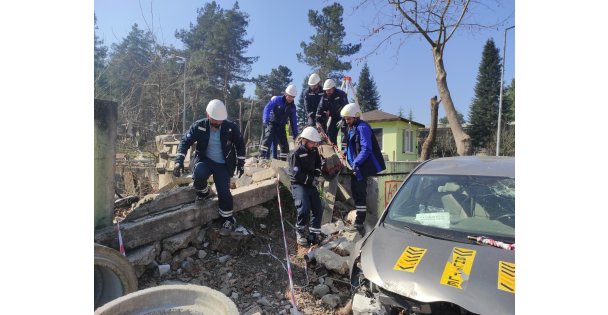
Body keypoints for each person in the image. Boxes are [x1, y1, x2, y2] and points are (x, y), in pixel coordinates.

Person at [173, 99, 246, 234]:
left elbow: (240, 143)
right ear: (208, 115)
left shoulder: (231, 127)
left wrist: (241, 163)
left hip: (223, 164)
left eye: (220, 121)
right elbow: (185, 141)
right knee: (199, 175)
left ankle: (227, 219)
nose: (218, 123)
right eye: (215, 120)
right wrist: (179, 161)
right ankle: (204, 193)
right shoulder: (199, 126)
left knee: (224, 192)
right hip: (205, 160)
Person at [340, 103, 386, 234]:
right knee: (356, 193)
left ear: (356, 116)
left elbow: (366, 149)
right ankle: (359, 220)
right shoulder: (352, 127)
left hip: (361, 167)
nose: (346, 121)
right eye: (345, 119)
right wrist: (344, 152)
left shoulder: (362, 127)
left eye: (348, 119)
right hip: (356, 166)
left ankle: (359, 222)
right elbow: (350, 146)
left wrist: (356, 162)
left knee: (360, 194)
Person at [288, 126, 323, 246]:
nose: (315, 145)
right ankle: (300, 231)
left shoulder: (314, 151)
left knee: (318, 207)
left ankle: (314, 234)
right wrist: (310, 180)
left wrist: (317, 175)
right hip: (299, 184)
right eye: (313, 142)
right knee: (304, 208)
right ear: (305, 140)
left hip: (310, 183)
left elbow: (318, 163)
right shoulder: (295, 153)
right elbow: (296, 174)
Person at [260, 84, 299, 160]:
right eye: (289, 96)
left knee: (284, 145)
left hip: (281, 127)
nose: (290, 98)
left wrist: (295, 134)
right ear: (285, 93)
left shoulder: (292, 107)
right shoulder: (277, 99)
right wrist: (265, 118)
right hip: (272, 123)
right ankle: (262, 157)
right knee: (267, 139)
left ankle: (283, 162)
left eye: (292, 97)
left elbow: (294, 121)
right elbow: (267, 108)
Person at [315, 78, 348, 146]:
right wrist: (317, 121)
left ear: (333, 88)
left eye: (329, 90)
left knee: (345, 133)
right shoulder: (324, 97)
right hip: (334, 117)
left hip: (344, 117)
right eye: (326, 90)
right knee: (330, 132)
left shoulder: (341, 94)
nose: (328, 92)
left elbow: (347, 108)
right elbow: (320, 109)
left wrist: (343, 119)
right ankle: (333, 149)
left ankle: (345, 150)